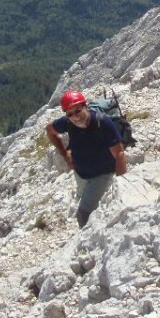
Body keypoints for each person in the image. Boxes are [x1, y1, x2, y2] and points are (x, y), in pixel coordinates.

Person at [45, 90, 127, 228]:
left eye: (78, 110)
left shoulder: (102, 123)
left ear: (85, 106)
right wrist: (65, 153)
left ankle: (88, 244)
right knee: (87, 201)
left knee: (83, 214)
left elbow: (119, 154)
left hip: (102, 174)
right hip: (81, 174)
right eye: (70, 114)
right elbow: (49, 130)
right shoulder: (68, 123)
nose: (75, 117)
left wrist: (122, 186)